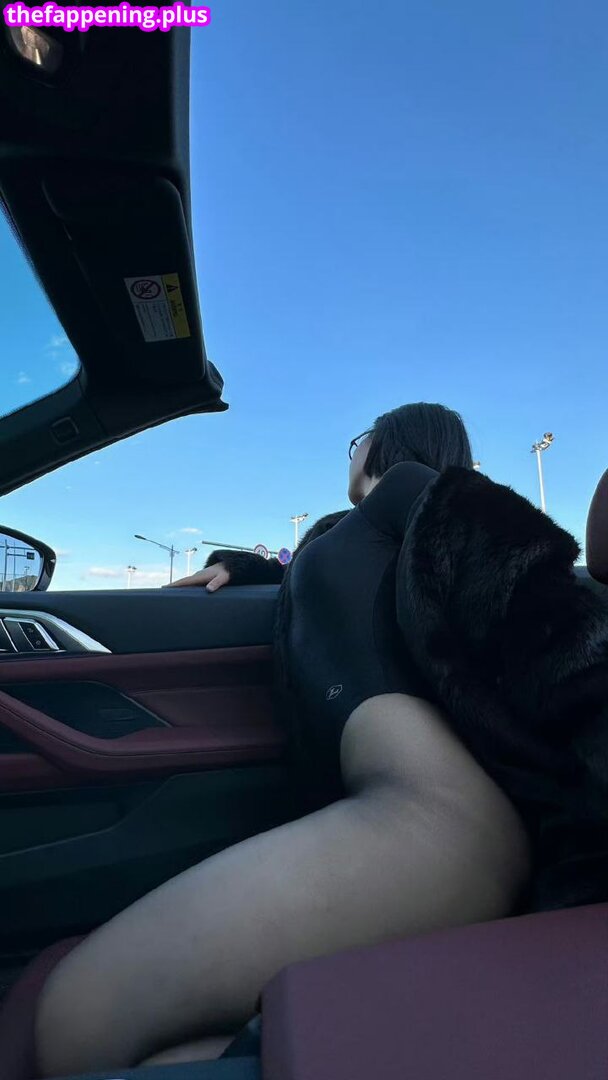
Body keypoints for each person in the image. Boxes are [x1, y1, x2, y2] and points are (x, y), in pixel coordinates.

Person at [33, 403, 536, 1076]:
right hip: (404, 812)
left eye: (359, 436)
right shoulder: (358, 533)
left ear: (391, 441)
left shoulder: (418, 490)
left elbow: (535, 588)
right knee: (134, 1045)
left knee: (79, 1019)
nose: (351, 449)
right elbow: (339, 579)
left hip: (439, 819)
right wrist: (254, 567)